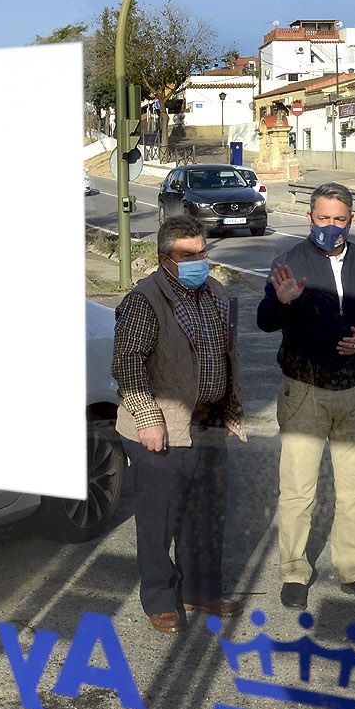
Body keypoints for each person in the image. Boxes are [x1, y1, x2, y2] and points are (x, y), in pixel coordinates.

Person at [257, 183, 355, 610]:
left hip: (354, 390)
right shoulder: (289, 262)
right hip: (304, 390)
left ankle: (353, 569)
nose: (331, 226)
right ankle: (295, 571)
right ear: (310, 218)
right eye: (324, 218)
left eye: (340, 219)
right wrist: (282, 303)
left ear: (351, 219)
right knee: (299, 489)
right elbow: (265, 320)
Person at [113, 217, 246, 634]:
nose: (198, 262)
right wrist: (149, 421)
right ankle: (160, 598)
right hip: (161, 426)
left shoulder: (217, 294)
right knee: (160, 519)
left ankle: (201, 591)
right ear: (165, 259)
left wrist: (231, 408)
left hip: (206, 423)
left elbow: (227, 356)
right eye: (188, 256)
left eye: (202, 253)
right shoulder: (144, 300)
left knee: (205, 515)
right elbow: (127, 363)